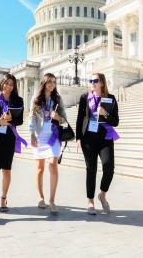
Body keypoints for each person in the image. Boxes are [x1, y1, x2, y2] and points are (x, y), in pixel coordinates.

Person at [76, 73, 119, 215]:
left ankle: (102, 194)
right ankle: (90, 201)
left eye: (95, 81)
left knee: (109, 167)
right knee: (91, 169)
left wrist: (105, 113)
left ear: (102, 83)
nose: (92, 83)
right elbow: (80, 118)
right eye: (91, 80)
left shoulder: (110, 98)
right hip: (88, 139)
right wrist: (78, 138)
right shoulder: (84, 97)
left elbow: (116, 121)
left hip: (105, 138)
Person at [0, 74, 26, 217]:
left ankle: (3, 198)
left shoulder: (18, 100)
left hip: (9, 139)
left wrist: (11, 119)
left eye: (12, 84)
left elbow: (20, 120)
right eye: (6, 83)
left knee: (6, 170)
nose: (9, 86)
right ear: (2, 84)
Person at [29, 73, 67, 215]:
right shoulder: (37, 100)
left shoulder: (57, 99)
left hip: (53, 136)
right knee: (39, 169)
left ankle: (52, 200)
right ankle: (41, 197)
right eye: (49, 82)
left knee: (52, 164)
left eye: (54, 82)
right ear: (44, 83)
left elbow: (64, 119)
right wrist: (32, 134)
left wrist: (58, 117)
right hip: (40, 136)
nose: (52, 84)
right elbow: (32, 118)